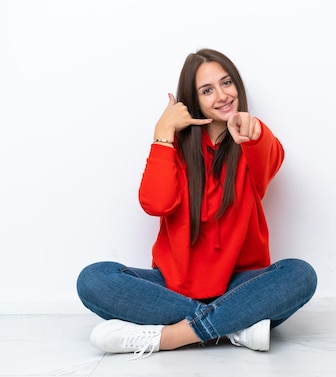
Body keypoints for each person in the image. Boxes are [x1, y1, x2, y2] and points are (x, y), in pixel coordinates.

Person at [76, 48, 317, 358]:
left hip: (239, 287)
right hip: (171, 288)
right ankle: (235, 326)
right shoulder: (174, 150)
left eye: (226, 83)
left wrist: (254, 134)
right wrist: (163, 133)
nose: (222, 95)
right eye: (207, 90)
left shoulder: (250, 141)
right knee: (93, 279)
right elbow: (155, 204)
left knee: (300, 275)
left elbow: (270, 155)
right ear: (193, 100)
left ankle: (172, 336)